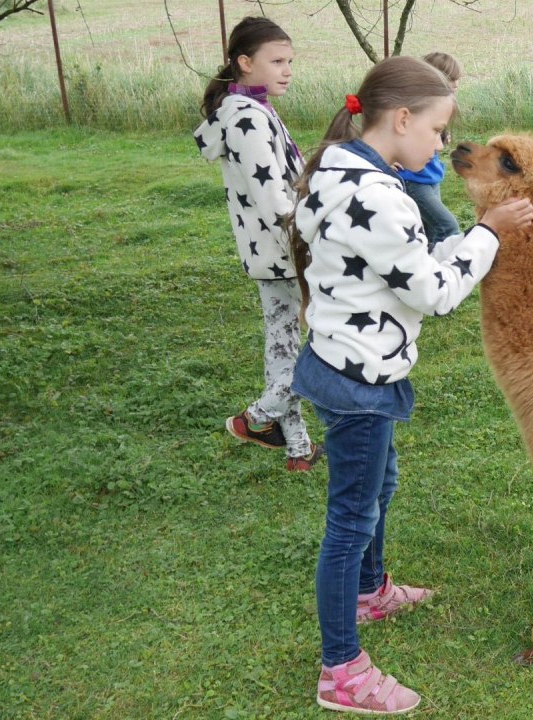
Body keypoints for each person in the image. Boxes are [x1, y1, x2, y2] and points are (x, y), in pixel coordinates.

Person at [289, 56, 533, 714]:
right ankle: (341, 669)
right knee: (350, 519)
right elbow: (434, 293)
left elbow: (407, 270)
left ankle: (371, 592)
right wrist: (485, 234)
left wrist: (466, 242)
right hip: (360, 380)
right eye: (437, 129)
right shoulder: (382, 195)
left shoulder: (339, 170)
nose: (441, 144)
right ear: (400, 120)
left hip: (340, 359)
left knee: (381, 484)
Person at [194, 17, 321, 472]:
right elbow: (274, 201)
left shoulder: (248, 108)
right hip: (285, 250)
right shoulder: (245, 119)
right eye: (277, 61)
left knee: (283, 346)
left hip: (271, 251)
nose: (288, 70)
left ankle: (298, 448)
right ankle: (257, 417)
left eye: (290, 61)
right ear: (245, 63)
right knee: (316, 343)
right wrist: (315, 235)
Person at [395, 52, 464, 249]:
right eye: (452, 79)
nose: (457, 84)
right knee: (447, 227)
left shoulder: (438, 106)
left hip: (431, 176)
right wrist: (386, 160)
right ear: (434, 77)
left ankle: (425, 269)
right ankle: (441, 272)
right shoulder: (412, 108)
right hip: (413, 180)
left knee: (427, 229)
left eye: (458, 79)